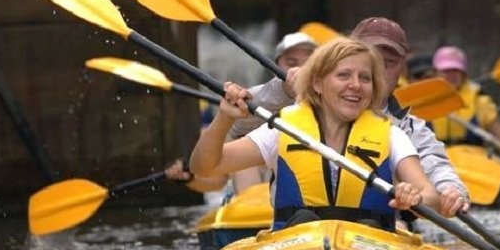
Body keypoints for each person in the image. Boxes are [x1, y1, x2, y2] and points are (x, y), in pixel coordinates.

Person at [227, 17, 471, 217]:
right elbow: (237, 125)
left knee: (401, 225)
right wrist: (285, 91)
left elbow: (436, 171)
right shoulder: (300, 103)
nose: (379, 68)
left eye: (391, 62)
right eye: (373, 57)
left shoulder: (406, 130)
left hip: (379, 234)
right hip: (297, 231)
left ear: (402, 69)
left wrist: (452, 192)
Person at [190, 38, 438, 229]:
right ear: (317, 83)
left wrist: (415, 198)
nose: (356, 85)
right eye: (343, 75)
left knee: (369, 225)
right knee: (302, 219)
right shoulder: (284, 129)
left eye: (365, 78)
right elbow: (205, 167)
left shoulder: (391, 135)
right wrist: (223, 119)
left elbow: (431, 197)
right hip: (297, 248)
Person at [227, 31, 319, 193]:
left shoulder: (335, 96)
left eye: (308, 63)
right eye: (291, 62)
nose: (299, 69)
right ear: (275, 67)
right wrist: (287, 92)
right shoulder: (262, 93)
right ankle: (251, 207)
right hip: (264, 177)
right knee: (246, 151)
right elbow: (236, 125)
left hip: (310, 174)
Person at [430, 45, 500, 166]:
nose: (451, 76)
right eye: (446, 71)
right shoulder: (423, 100)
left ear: (463, 74)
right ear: (435, 72)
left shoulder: (479, 101)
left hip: (472, 162)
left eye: (456, 71)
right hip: (436, 160)